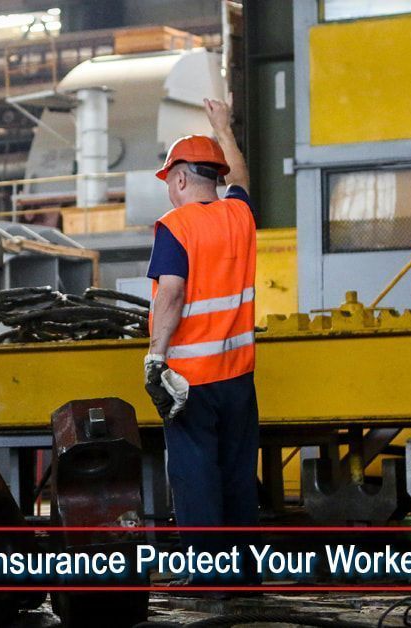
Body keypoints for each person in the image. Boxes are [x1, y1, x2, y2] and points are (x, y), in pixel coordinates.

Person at [144, 96, 260, 584]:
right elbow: (242, 181)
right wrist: (223, 128)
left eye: (171, 180)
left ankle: (208, 577)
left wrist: (156, 357)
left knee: (196, 479)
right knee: (237, 477)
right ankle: (243, 574)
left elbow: (170, 294)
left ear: (181, 179)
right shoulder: (240, 216)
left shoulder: (176, 226)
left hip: (190, 380)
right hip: (239, 378)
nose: (170, 189)